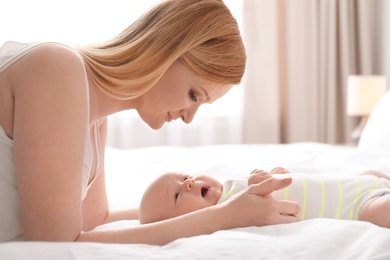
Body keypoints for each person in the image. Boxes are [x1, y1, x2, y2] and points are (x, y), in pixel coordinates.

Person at [0, 0, 300, 245]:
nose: (188, 117)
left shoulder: (94, 121)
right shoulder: (56, 69)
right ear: (164, 52)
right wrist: (221, 219)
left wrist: (221, 205)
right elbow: (55, 245)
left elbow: (94, 222)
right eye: (193, 95)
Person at [139, 168, 390, 229]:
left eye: (185, 176)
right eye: (177, 194)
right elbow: (269, 212)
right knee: (382, 212)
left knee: (373, 173)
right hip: (355, 206)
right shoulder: (228, 213)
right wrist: (265, 190)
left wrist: (274, 173)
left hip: (355, 182)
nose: (188, 182)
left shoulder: (227, 188)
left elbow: (284, 183)